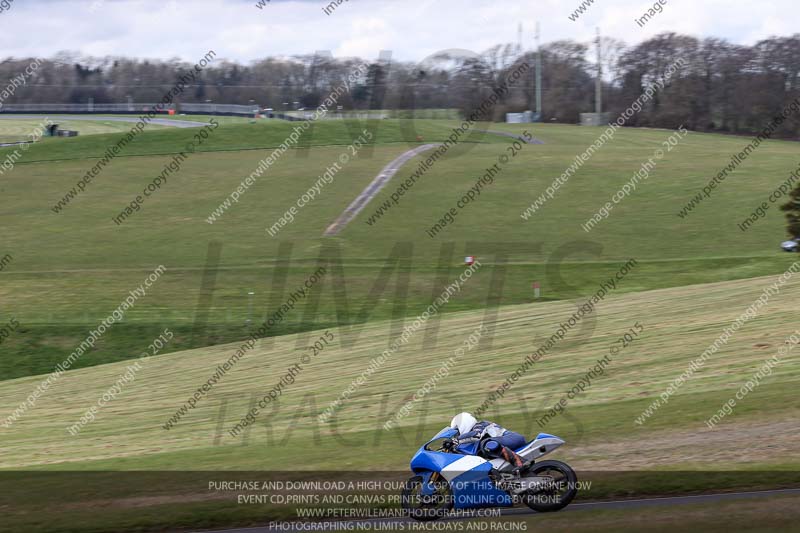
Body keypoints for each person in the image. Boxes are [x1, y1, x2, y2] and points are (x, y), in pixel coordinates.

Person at [447, 412, 528, 474]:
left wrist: (455, 441)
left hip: (513, 438)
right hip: (507, 441)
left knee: (486, 444)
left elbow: (476, 435)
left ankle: (520, 463)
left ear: (463, 424)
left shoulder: (480, 425)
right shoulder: (472, 434)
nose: (457, 434)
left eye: (457, 431)